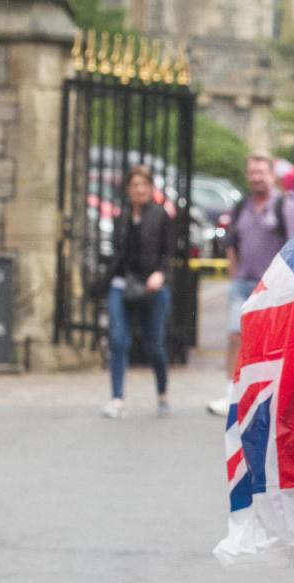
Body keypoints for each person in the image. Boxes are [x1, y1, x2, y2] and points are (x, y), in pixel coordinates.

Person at [207, 152, 294, 417]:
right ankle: (231, 394)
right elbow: (232, 244)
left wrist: (287, 283)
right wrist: (233, 275)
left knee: (271, 342)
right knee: (235, 336)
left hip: (271, 286)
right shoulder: (240, 207)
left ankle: (269, 395)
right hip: (243, 283)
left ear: (271, 175)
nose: (256, 178)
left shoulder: (284, 206)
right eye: (252, 173)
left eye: (261, 172)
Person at [100, 164, 173, 419]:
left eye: (143, 185)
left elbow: (168, 253)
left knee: (154, 345)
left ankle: (162, 392)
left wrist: (160, 274)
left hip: (152, 288)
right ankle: (117, 398)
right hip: (122, 284)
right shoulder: (121, 217)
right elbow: (117, 254)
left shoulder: (161, 215)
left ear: (151, 188)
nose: (139, 190)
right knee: (118, 340)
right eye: (134, 185)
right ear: (128, 189)